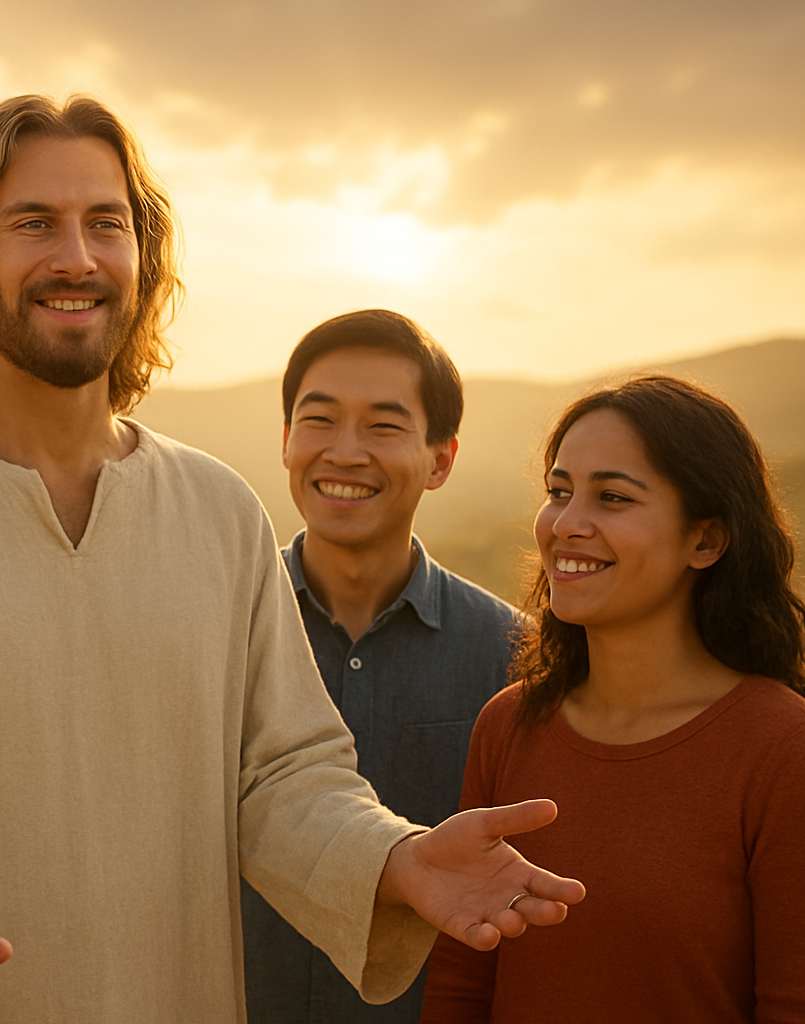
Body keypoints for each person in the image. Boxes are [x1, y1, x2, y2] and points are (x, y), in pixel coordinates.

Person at [0, 94, 583, 1024]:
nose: (76, 257)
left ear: (140, 259)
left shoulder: (218, 513)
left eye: (105, 224)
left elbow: (282, 779)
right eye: (34, 223)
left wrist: (397, 860)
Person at [421, 375, 805, 1023]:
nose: (567, 524)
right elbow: (464, 986)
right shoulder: (510, 725)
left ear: (706, 540)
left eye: (611, 497)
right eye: (558, 492)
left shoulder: (788, 751)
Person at [242, 310, 517, 1024]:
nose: (345, 451)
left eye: (385, 426)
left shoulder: (512, 655)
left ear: (441, 459)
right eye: (320, 420)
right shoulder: (214, 635)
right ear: (285, 442)